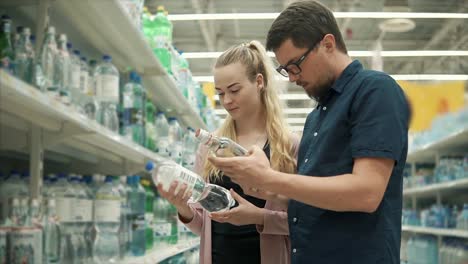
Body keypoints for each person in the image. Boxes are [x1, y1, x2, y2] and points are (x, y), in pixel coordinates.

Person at [208, 1, 411, 264]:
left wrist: (270, 178)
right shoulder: (317, 117)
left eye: (295, 64)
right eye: (285, 70)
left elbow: (367, 192)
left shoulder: (374, 91)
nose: (292, 78)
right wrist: (263, 194)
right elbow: (312, 198)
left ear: (327, 44)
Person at [157, 40, 300, 264]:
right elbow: (204, 225)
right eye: (220, 93)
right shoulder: (210, 147)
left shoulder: (288, 146)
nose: (227, 101)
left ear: (259, 82)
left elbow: (304, 222)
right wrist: (183, 207)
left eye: (234, 90)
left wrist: (260, 217)